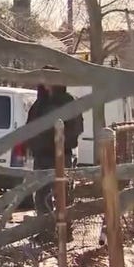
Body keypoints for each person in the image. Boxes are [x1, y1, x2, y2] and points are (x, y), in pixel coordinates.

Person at [26, 82, 84, 215]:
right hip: (41, 157)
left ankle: (65, 231)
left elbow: (77, 128)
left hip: (62, 156)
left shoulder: (69, 102)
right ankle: (45, 232)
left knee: (63, 196)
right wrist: (33, 143)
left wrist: (56, 138)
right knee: (41, 197)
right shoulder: (39, 104)